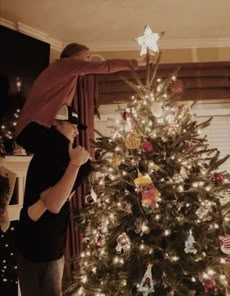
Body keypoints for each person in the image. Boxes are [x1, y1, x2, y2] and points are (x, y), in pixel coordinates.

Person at [16, 105, 92, 296]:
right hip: (36, 250)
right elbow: (55, 204)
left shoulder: (62, 157)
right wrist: (75, 165)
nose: (76, 130)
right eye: (71, 124)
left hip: (53, 246)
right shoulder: (48, 155)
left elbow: (59, 198)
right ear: (56, 124)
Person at [15, 42, 150, 149]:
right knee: (75, 161)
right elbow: (105, 66)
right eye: (87, 56)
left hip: (34, 129)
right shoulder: (65, 65)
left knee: (69, 161)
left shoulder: (66, 74)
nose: (89, 60)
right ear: (75, 56)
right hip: (32, 128)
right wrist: (134, 63)